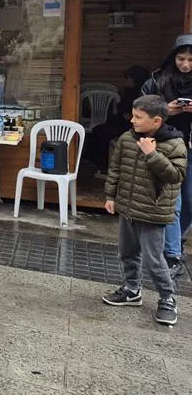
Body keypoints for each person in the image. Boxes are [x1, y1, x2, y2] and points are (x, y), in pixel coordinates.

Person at [102, 95, 185, 325]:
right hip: (127, 208)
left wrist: (152, 154)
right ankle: (131, 289)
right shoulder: (127, 139)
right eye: (133, 115)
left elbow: (176, 175)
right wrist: (110, 196)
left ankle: (167, 299)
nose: (132, 121)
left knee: (153, 259)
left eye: (138, 117)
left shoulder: (174, 143)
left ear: (156, 120)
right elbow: (116, 168)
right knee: (127, 252)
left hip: (152, 212)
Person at [141, 34, 192, 278]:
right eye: (181, 59)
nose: (185, 65)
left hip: (190, 147)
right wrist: (165, 109)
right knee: (175, 202)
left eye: (191, 60)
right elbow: (140, 109)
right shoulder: (157, 79)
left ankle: (174, 242)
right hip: (166, 145)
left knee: (189, 200)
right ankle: (172, 255)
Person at [86, 65, 151, 176]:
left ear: (136, 80)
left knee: (102, 133)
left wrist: (131, 115)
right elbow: (121, 109)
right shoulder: (129, 92)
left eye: (129, 78)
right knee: (97, 130)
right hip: (121, 122)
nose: (127, 81)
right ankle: (98, 163)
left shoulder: (142, 94)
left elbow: (138, 114)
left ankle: (104, 166)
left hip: (132, 127)